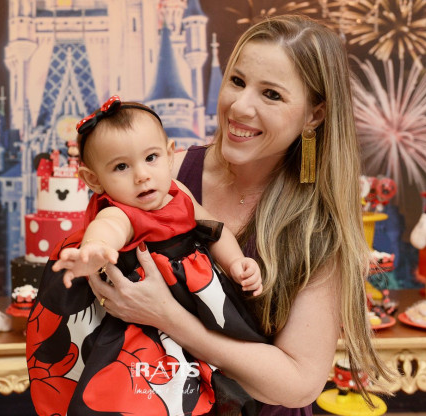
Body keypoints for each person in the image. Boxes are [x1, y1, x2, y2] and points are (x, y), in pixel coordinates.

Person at [85, 14, 392, 415]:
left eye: (272, 94)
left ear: (314, 115)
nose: (240, 106)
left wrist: (169, 318)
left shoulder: (318, 225)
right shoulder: (162, 175)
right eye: (237, 81)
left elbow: (298, 385)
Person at [27, 97, 269, 416]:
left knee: (223, 366)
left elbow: (213, 230)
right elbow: (107, 229)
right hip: (143, 315)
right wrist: (95, 250)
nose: (141, 175)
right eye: (121, 167)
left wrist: (236, 263)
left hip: (195, 299)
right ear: (94, 180)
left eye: (151, 158)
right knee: (146, 385)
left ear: (169, 155)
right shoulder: (120, 212)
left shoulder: (178, 191)